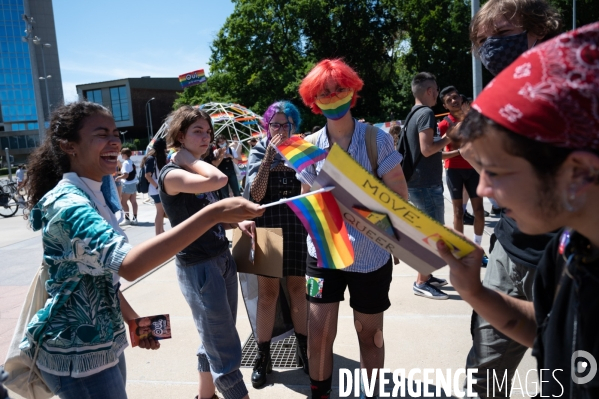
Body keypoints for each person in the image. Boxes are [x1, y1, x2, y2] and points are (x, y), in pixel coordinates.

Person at [21, 101, 263, 399]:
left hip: (105, 343)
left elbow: (98, 275)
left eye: (115, 132)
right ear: (69, 146)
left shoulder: (97, 192)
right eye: (101, 134)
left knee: (215, 341)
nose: (114, 141)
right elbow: (128, 265)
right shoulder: (69, 204)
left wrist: (134, 320)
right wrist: (215, 213)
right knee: (222, 348)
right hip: (76, 354)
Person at [439, 23, 599, 398]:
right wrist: (476, 292)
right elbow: (549, 329)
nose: (482, 189)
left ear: (577, 174)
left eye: (496, 171)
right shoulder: (568, 250)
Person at [460, 0, 563, 395]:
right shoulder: (492, 98)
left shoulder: (569, 92)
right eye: (483, 40)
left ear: (537, 29)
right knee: (484, 374)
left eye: (502, 35)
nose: (491, 47)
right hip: (508, 249)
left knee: (562, 375)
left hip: (565, 259)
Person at [297, 59, 408, 399]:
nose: (332, 97)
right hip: (324, 253)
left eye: (339, 89)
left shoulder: (376, 139)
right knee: (318, 335)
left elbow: (399, 195)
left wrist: (393, 233)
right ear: (314, 100)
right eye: (324, 92)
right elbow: (307, 200)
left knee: (369, 336)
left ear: (352, 91)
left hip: (370, 255)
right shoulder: (308, 147)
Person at [159, 105, 261, 399]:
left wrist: (237, 222)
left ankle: (206, 396)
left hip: (221, 259)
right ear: (180, 135)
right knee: (225, 350)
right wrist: (187, 158)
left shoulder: (194, 168)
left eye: (207, 131)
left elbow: (210, 215)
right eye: (197, 131)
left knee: (215, 338)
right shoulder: (172, 174)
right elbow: (218, 181)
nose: (206, 137)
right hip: (199, 268)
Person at [245, 101, 309, 388]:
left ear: (294, 126)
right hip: (266, 227)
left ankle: (305, 351)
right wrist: (270, 156)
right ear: (266, 126)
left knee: (298, 289)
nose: (281, 130)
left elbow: (313, 189)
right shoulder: (259, 150)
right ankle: (263, 357)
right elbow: (256, 195)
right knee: (268, 294)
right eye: (275, 124)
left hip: (297, 226)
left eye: (286, 124)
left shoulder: (302, 149)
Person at [403, 72, 451, 300]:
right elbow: (427, 149)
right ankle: (422, 282)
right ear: (430, 91)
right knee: (433, 234)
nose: (437, 96)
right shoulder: (426, 113)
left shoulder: (413, 114)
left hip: (417, 182)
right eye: (436, 90)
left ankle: (426, 275)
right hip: (425, 184)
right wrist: (450, 137)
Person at [437, 86, 485, 245]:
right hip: (454, 170)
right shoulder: (444, 125)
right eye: (449, 100)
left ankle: (478, 246)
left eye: (455, 97)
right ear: (445, 106)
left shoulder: (473, 119)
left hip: (474, 170)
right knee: (458, 212)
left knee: (479, 210)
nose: (453, 101)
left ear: (460, 98)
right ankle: (460, 248)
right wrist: (460, 152)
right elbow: (438, 155)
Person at [141, 139, 167, 235]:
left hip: (156, 188)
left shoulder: (154, 158)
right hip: (155, 189)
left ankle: (161, 231)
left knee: (161, 211)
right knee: (160, 211)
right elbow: (147, 176)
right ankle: (158, 234)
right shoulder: (151, 159)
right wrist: (157, 187)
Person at [211, 134, 241, 198]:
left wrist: (231, 156)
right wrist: (220, 155)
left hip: (231, 172)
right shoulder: (216, 152)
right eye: (220, 142)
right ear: (217, 143)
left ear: (226, 141)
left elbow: (237, 162)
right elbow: (215, 165)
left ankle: (241, 205)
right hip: (221, 174)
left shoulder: (231, 149)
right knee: (224, 194)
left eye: (223, 141)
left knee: (236, 191)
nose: (222, 143)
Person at [117, 148, 138, 225]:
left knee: (123, 202)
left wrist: (118, 177)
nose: (121, 155)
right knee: (133, 202)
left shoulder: (126, 163)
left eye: (122, 154)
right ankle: (135, 218)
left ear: (125, 155)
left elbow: (126, 175)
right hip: (133, 183)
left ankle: (127, 219)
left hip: (127, 184)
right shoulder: (130, 162)